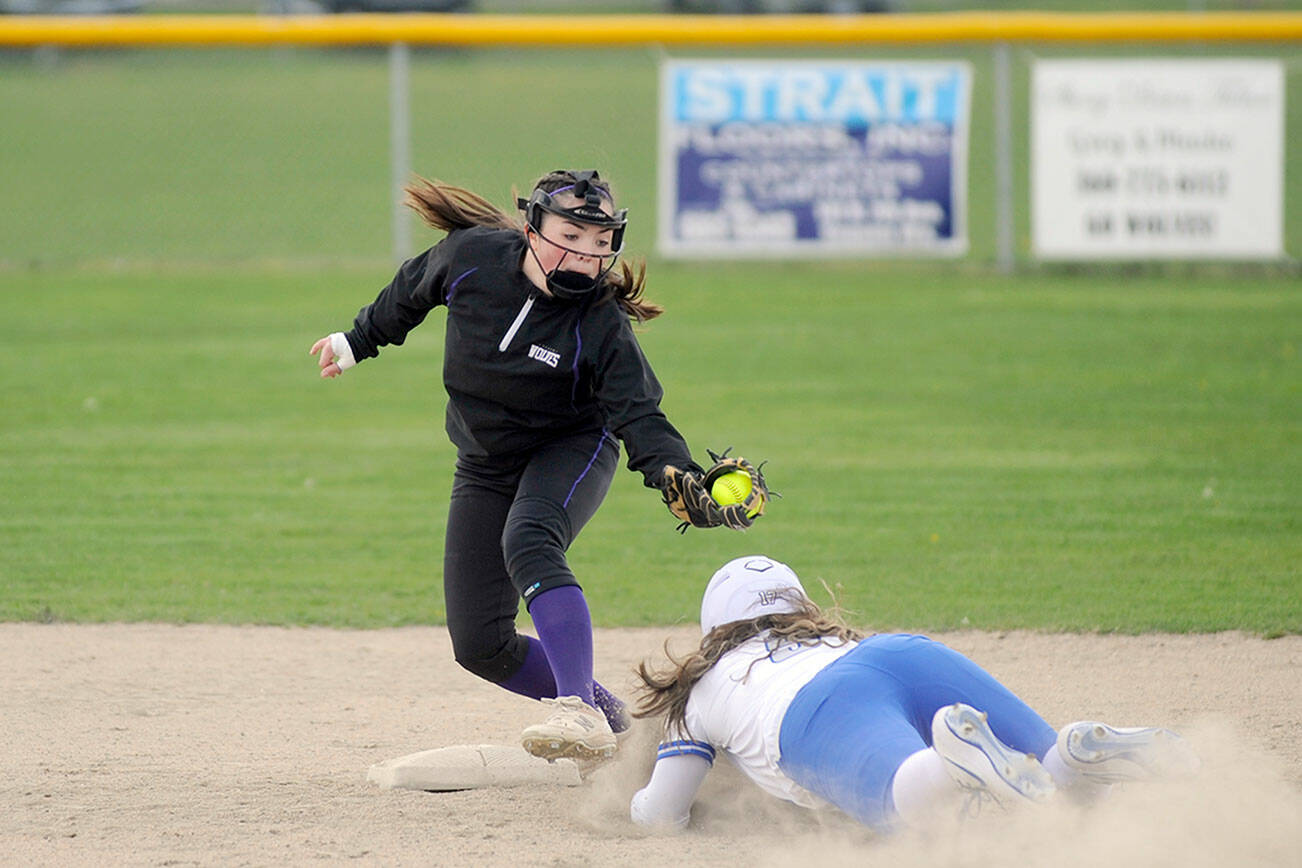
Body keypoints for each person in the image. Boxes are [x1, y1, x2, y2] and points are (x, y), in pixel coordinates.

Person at [309, 170, 753, 763]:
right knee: (479, 644)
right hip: (485, 460)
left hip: (571, 447)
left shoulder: (599, 322)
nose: (586, 252)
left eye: (600, 242)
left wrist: (675, 472)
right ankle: (625, 732)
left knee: (531, 538)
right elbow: (411, 292)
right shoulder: (473, 258)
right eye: (571, 233)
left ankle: (577, 709)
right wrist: (357, 339)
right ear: (531, 228)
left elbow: (640, 415)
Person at [630, 555, 1200, 833]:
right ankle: (1077, 750)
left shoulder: (703, 690)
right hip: (895, 653)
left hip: (810, 708)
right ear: (796, 605)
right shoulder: (828, 635)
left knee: (904, 811)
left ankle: (950, 762)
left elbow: (661, 814)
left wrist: (635, 804)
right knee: (1050, 784)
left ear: (713, 625)